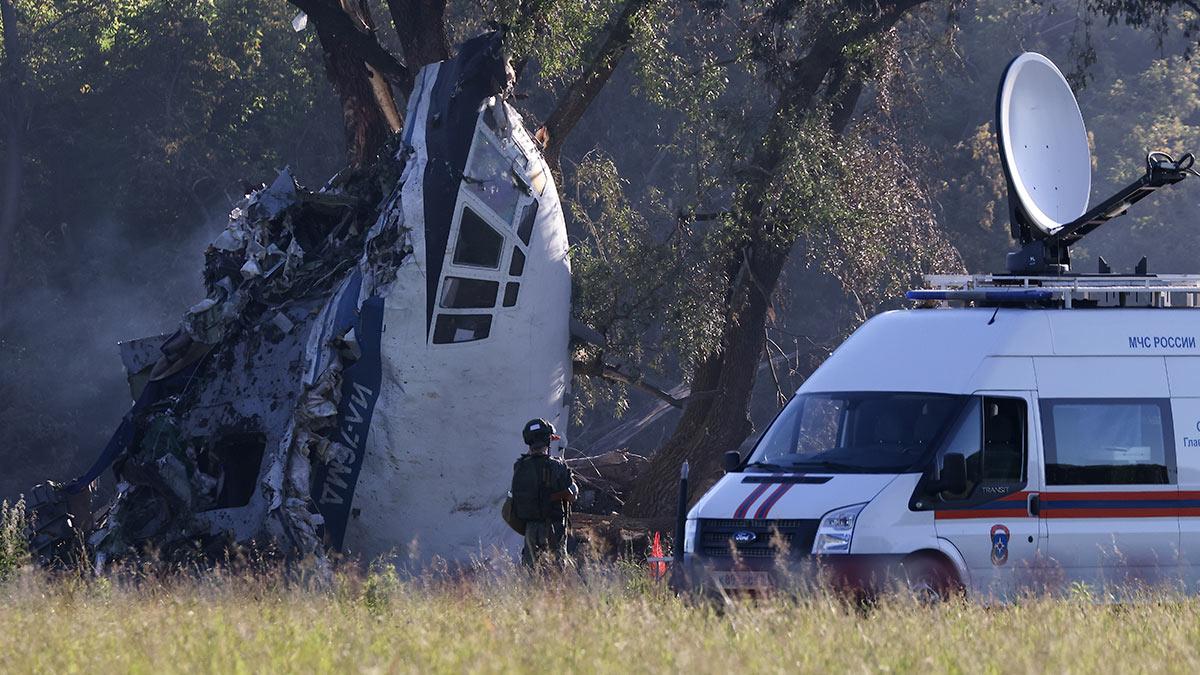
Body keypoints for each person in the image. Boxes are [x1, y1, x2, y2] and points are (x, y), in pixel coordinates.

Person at [510, 418, 577, 568]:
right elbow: (573, 495)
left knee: (530, 573)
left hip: (529, 528)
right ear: (548, 441)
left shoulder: (519, 466)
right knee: (555, 575)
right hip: (553, 528)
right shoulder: (557, 466)